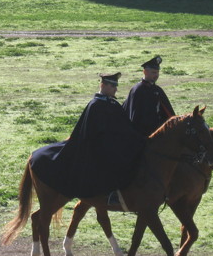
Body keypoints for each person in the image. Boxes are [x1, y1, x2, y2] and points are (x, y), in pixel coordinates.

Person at [30, 72, 146, 200]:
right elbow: (92, 133)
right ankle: (111, 193)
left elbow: (125, 127)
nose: (115, 89)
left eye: (116, 86)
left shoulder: (113, 104)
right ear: (103, 85)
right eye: (112, 86)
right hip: (98, 148)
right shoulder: (95, 105)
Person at [122, 56, 176, 137]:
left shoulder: (158, 90)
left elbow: (167, 113)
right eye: (153, 72)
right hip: (141, 135)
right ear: (145, 72)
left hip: (157, 134)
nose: (156, 75)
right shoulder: (137, 90)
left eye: (157, 72)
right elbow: (134, 117)